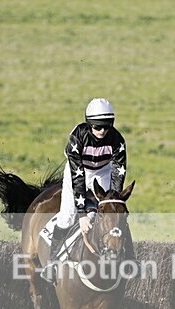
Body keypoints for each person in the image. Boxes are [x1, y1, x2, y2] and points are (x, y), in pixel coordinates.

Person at [41, 98, 128, 282]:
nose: (102, 131)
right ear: (89, 125)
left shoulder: (118, 140)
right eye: (97, 127)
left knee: (113, 215)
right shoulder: (78, 137)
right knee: (66, 216)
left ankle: (130, 258)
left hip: (103, 172)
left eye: (106, 126)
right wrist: (81, 215)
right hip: (77, 171)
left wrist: (113, 201)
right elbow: (78, 177)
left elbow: (119, 173)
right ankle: (53, 262)